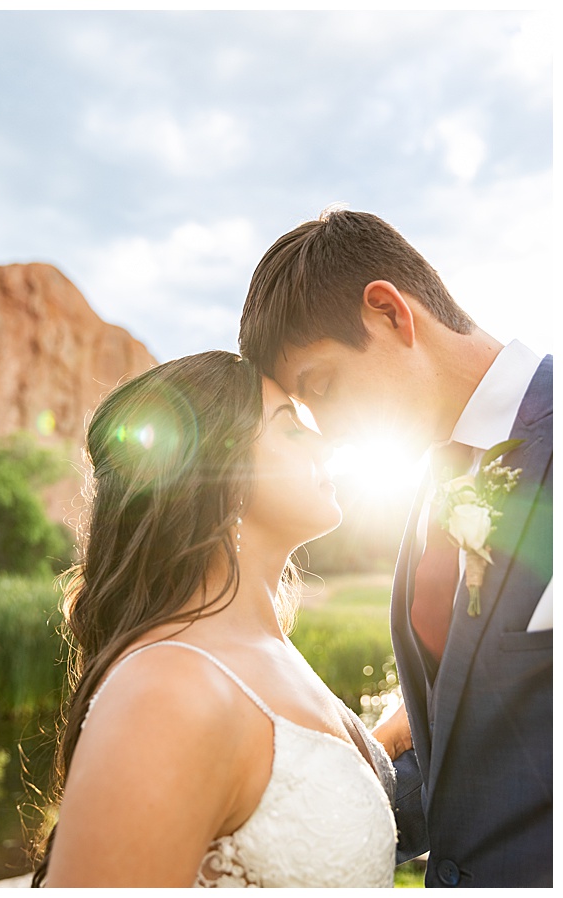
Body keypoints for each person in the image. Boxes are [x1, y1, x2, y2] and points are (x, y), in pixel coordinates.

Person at [239, 208, 552, 887]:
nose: (330, 434)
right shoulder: (428, 498)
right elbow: (469, 757)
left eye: (321, 387)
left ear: (388, 312)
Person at [33, 350, 406, 887]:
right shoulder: (165, 690)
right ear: (220, 476)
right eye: (292, 430)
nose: (327, 443)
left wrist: (382, 745)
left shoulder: (269, 648)